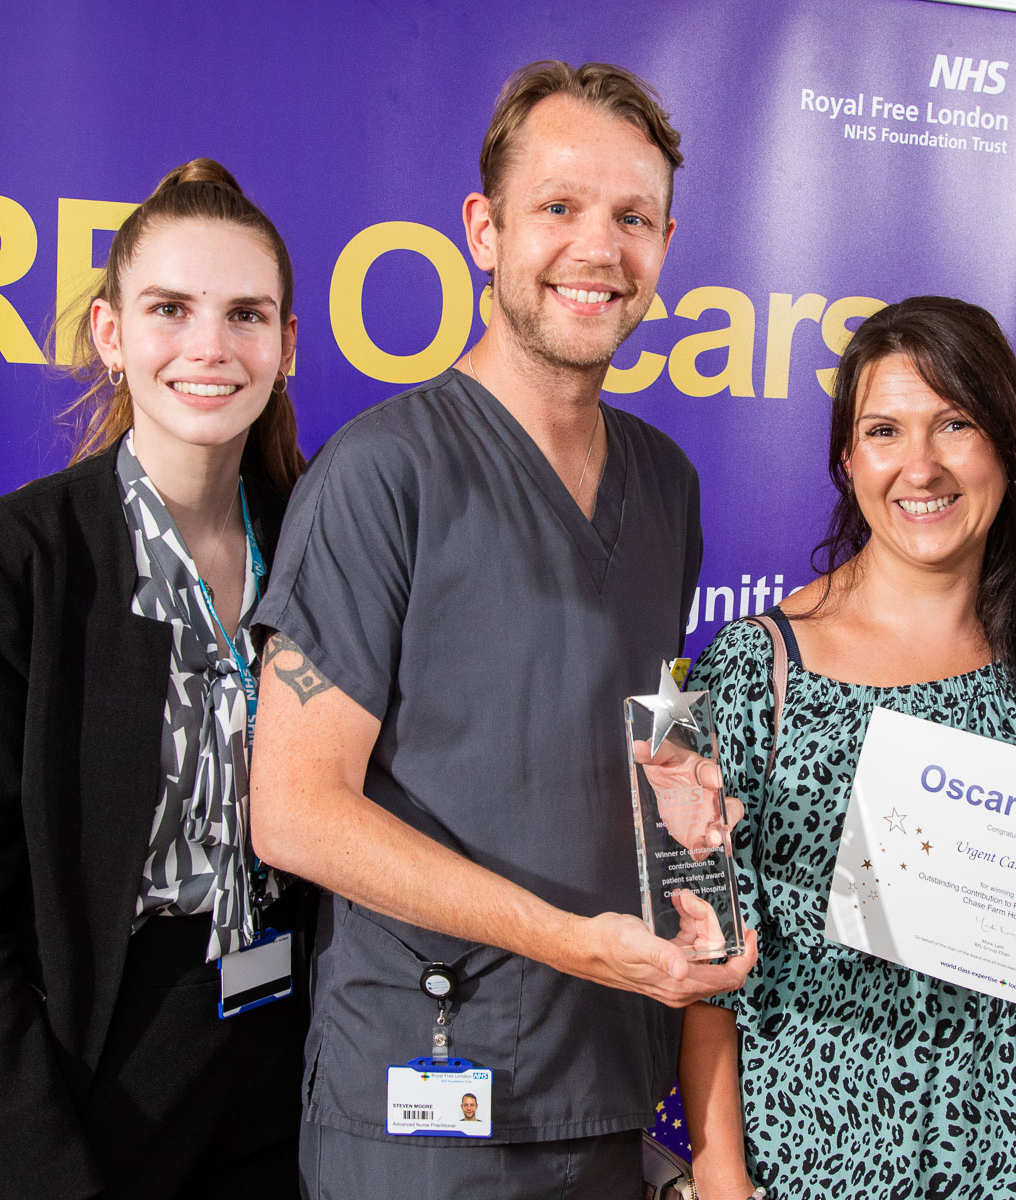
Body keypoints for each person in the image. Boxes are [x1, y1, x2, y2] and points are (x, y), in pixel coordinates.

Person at [246, 61, 755, 1198]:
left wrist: (682, 802)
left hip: (610, 1086)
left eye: (633, 218)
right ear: (484, 230)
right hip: (425, 1100)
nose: (599, 250)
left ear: (667, 244)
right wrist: (567, 939)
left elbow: (631, 724)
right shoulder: (384, 475)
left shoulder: (665, 485)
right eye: (559, 209)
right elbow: (293, 811)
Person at [0, 158, 310, 1199]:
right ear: (112, 335)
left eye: (246, 315)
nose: (210, 348)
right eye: (171, 309)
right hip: (87, 1088)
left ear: (286, 346)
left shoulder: (325, 547)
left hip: (291, 1075)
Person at [678, 296, 1016, 1200]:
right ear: (847, 460)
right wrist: (720, 1184)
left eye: (956, 423)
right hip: (811, 1167)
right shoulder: (761, 667)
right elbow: (705, 967)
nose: (922, 466)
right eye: (885, 430)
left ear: (1015, 440)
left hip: (1014, 1165)